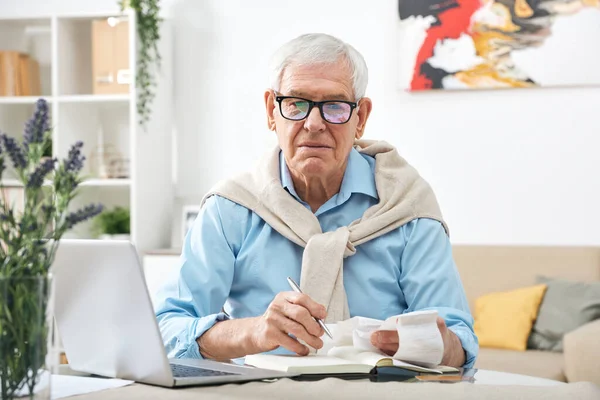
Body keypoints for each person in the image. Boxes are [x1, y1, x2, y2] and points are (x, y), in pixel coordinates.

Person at [155, 33, 478, 368]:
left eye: (335, 107)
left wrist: (433, 345)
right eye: (296, 104)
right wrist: (253, 332)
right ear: (271, 111)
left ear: (361, 118)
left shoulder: (407, 207)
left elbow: (460, 344)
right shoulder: (231, 207)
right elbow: (166, 330)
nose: (313, 124)